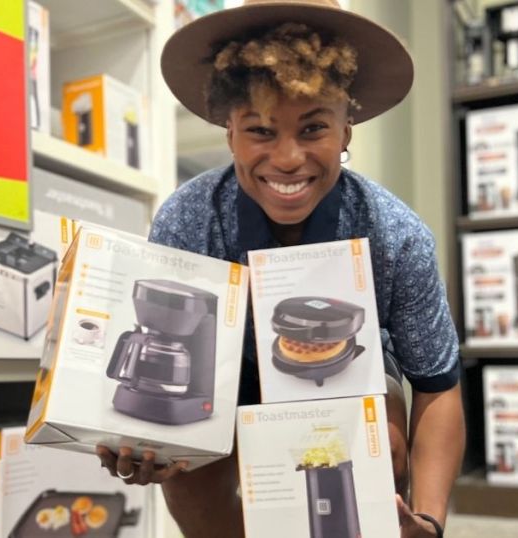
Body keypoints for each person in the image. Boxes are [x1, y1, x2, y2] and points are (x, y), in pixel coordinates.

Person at [96, 1, 465, 536]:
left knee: (383, 445)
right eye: (262, 131)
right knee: (187, 465)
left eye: (313, 127)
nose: (288, 158)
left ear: (346, 132)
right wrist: (143, 435)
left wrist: (430, 522)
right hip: (222, 378)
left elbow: (437, 386)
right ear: (230, 134)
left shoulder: (395, 235)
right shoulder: (190, 218)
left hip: (347, 378)